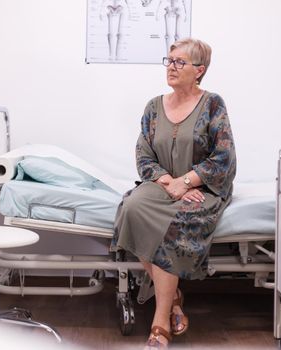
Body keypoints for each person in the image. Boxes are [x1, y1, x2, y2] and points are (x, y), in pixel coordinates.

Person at [111, 37, 236, 348]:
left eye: (180, 62)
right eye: (170, 60)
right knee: (132, 209)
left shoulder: (213, 104)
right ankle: (174, 297)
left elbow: (224, 158)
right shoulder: (154, 107)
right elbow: (143, 155)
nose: (172, 67)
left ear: (199, 70)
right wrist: (169, 182)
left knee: (175, 226)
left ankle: (160, 321)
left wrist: (189, 182)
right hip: (163, 184)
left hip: (202, 188)